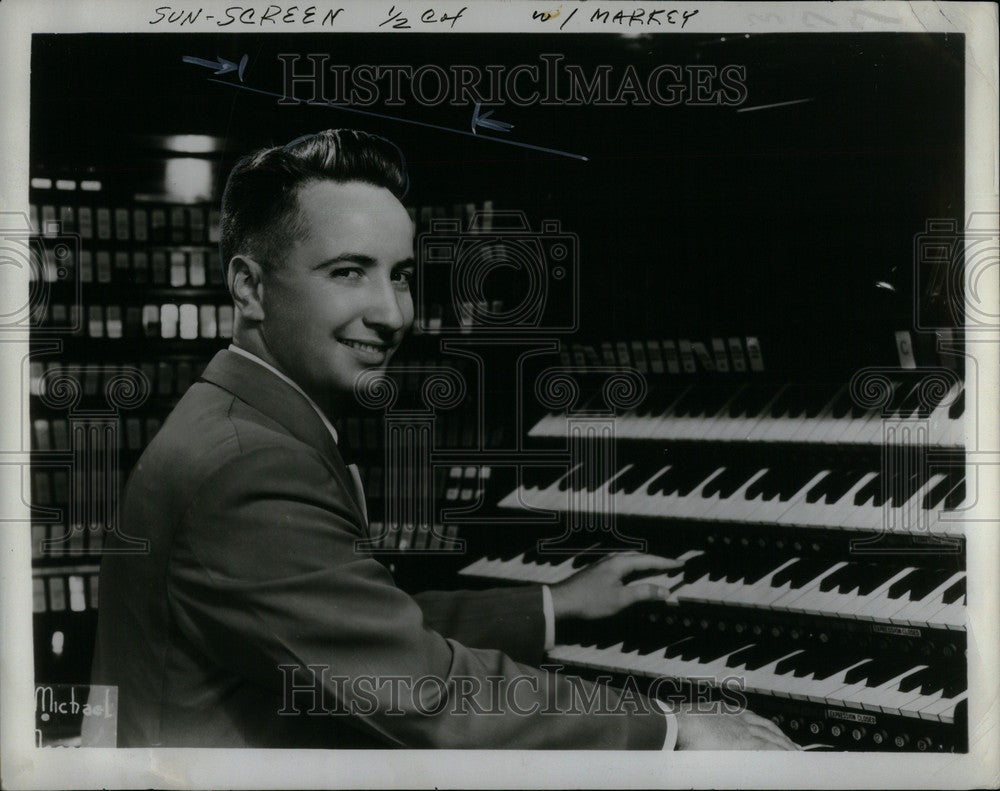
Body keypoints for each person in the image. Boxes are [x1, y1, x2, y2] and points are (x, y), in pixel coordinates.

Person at [86, 128, 797, 750]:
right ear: (249, 288)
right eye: (348, 272)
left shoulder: (240, 416)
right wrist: (672, 728)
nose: (392, 312)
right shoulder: (252, 464)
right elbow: (425, 691)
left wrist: (554, 603)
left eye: (401, 276)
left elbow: (348, 621)